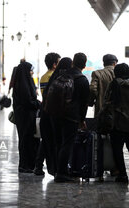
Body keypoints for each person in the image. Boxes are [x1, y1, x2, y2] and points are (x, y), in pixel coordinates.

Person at [104, 63, 129, 183]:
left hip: (116, 123)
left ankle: (122, 174)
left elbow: (106, 100)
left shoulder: (113, 84)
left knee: (117, 149)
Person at [53, 53, 90, 182]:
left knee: (60, 143)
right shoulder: (82, 80)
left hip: (57, 114)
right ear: (84, 64)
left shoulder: (63, 75)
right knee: (67, 144)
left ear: (73, 62)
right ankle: (61, 173)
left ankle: (58, 170)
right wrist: (82, 119)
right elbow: (84, 103)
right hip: (72, 117)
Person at [40, 57, 73, 176]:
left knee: (50, 143)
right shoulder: (65, 79)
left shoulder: (53, 78)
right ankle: (61, 171)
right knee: (60, 144)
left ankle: (54, 169)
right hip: (59, 117)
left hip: (48, 116)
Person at [34, 52, 60, 176]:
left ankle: (38, 165)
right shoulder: (54, 76)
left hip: (45, 110)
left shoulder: (44, 76)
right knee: (51, 140)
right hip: (53, 111)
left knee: (45, 140)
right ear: (55, 64)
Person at [13, 62, 40, 173]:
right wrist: (38, 104)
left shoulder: (23, 82)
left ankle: (29, 164)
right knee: (26, 140)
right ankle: (25, 165)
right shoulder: (23, 85)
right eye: (30, 70)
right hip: (25, 116)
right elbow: (28, 101)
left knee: (28, 140)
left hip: (26, 116)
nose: (32, 72)